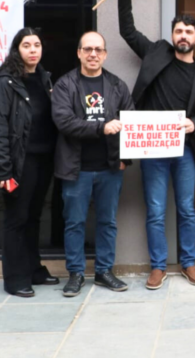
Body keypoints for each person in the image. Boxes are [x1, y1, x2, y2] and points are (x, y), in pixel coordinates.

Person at [116, 0, 195, 290]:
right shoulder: (157, 52)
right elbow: (128, 32)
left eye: (188, 31)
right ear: (172, 35)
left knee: (186, 209)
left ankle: (188, 263)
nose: (182, 35)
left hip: (183, 149)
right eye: (178, 30)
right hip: (151, 148)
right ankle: (158, 266)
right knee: (156, 211)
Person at [52, 31, 134, 297]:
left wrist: (125, 158)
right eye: (87, 49)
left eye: (98, 49)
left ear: (105, 54)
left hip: (110, 167)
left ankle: (103, 272)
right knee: (74, 222)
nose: (93, 54)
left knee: (107, 222)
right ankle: (75, 274)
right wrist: (102, 128)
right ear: (79, 53)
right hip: (76, 168)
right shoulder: (65, 85)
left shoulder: (117, 85)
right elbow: (64, 122)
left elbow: (129, 123)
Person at [0, 28, 59, 298]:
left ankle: (33, 269)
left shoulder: (43, 78)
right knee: (17, 219)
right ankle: (15, 278)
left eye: (37, 45)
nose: (33, 50)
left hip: (42, 159)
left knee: (34, 217)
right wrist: (2, 169)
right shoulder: (5, 82)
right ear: (17, 50)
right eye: (27, 45)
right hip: (18, 163)